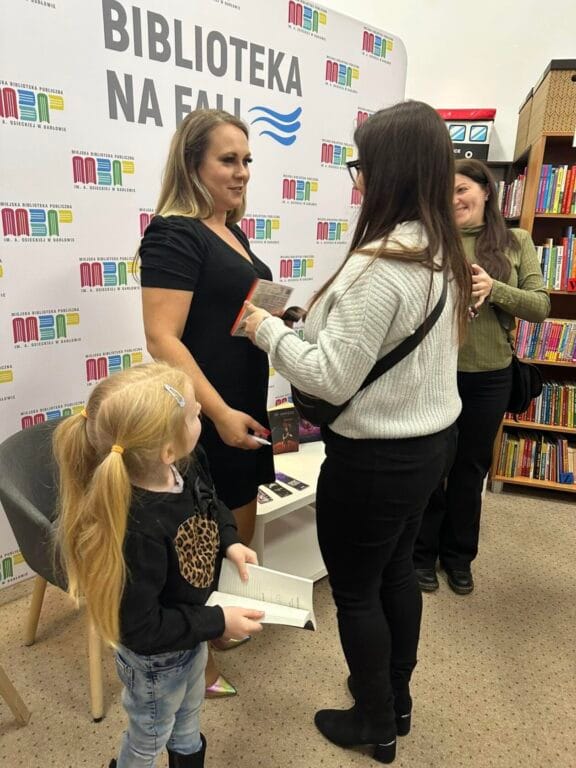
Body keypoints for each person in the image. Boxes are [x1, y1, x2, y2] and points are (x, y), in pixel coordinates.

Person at [243, 101, 472, 764]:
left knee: (355, 590)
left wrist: (265, 330)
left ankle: (375, 721)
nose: (356, 181)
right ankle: (395, 696)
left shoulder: (379, 267)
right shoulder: (438, 252)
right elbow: (371, 347)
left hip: (376, 459)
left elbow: (334, 378)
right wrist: (298, 320)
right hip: (430, 446)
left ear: (390, 171)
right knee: (395, 571)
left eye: (361, 166)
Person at [53, 362, 264, 768]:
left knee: (187, 722)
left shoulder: (182, 464)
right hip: (155, 662)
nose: (201, 408)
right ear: (167, 448)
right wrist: (218, 623)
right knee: (149, 739)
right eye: (192, 412)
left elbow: (210, 503)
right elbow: (141, 628)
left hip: (192, 634)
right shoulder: (138, 530)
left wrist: (231, 542)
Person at [138, 109, 274, 696]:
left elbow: (226, 316)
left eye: (246, 160)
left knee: (233, 522)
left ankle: (216, 628)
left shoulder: (232, 229)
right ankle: (197, 662)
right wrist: (216, 414)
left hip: (242, 401)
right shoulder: (174, 231)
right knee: (192, 539)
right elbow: (162, 337)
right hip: (202, 412)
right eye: (227, 159)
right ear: (193, 163)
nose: (241, 171)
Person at [413, 159, 550, 595]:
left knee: (471, 468)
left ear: (486, 191)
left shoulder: (516, 241)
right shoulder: (430, 243)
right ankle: (421, 554)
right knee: (432, 466)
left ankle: (458, 558)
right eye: (445, 192)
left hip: (489, 377)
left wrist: (495, 289)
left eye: (462, 189)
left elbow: (540, 306)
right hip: (435, 375)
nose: (453, 200)